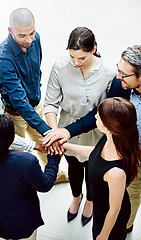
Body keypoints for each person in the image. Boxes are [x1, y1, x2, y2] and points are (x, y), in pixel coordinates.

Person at [43, 45, 141, 233]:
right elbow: (102, 115)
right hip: (117, 148)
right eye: (118, 70)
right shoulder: (121, 85)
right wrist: (66, 136)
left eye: (123, 74)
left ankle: (125, 229)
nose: (118, 77)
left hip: (136, 156)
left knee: (128, 200)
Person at [43, 27, 116, 225]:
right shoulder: (60, 66)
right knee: (74, 167)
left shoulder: (109, 72)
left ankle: (90, 200)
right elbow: (50, 103)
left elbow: (106, 111)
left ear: (94, 49)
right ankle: (76, 197)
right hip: (67, 130)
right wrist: (56, 132)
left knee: (93, 169)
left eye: (82, 58)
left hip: (96, 132)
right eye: (72, 56)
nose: (76, 62)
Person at [0, 8, 68, 183]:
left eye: (31, 33)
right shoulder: (3, 59)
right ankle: (22, 186)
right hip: (15, 114)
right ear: (10, 31)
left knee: (47, 144)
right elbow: (19, 101)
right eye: (22, 35)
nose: (29, 40)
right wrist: (48, 130)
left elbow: (36, 71)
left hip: (35, 104)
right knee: (18, 155)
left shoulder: (36, 39)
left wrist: (46, 132)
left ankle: (54, 175)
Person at [0, 114, 61, 240]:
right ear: (12, 137)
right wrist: (53, 157)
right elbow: (45, 185)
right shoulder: (27, 161)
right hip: (22, 223)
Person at [63, 97, 140, 240]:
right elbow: (96, 153)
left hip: (110, 216)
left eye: (99, 115)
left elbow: (115, 210)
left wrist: (103, 236)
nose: (95, 116)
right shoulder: (109, 138)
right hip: (101, 207)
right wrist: (65, 146)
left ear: (110, 127)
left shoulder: (116, 173)